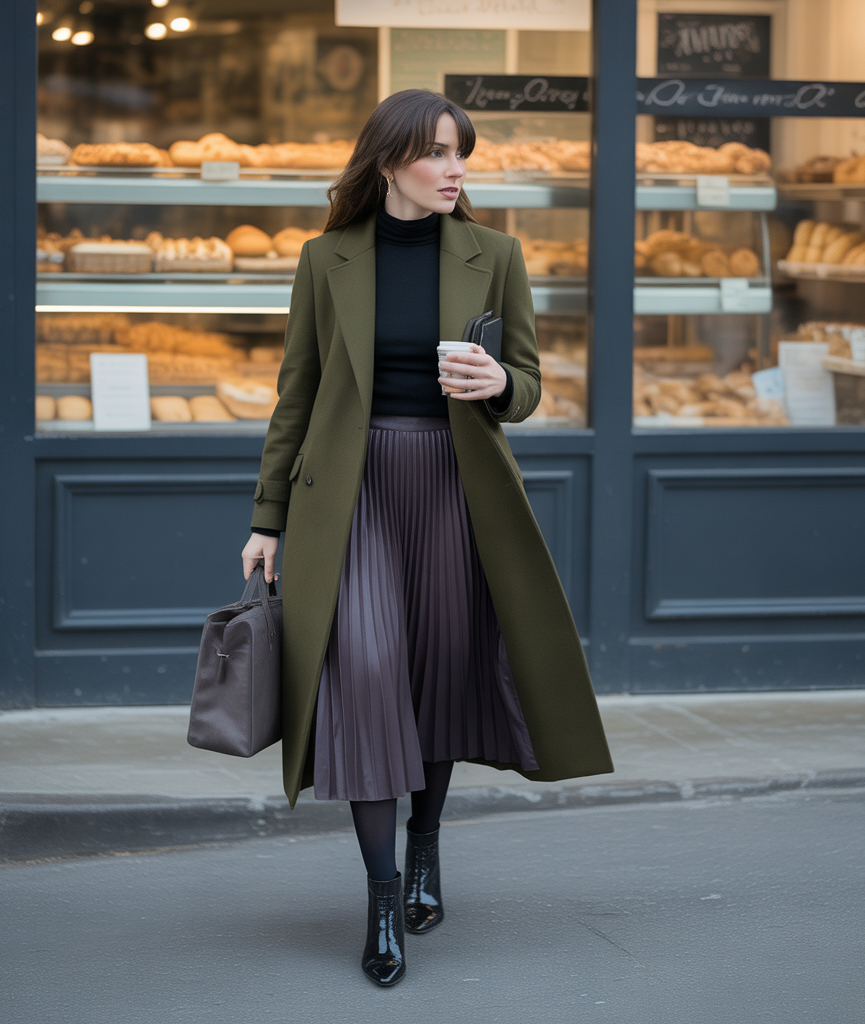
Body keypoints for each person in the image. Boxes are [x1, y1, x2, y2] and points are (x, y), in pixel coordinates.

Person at [241, 89, 613, 987]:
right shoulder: (324, 257)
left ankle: (426, 844)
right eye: (439, 154)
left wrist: (498, 383)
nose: (456, 171)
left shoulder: (497, 254)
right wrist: (266, 517)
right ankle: (379, 900)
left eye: (462, 155)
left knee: (438, 671)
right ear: (387, 161)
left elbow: (530, 385)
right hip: (354, 491)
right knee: (364, 671)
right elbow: (297, 394)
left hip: (456, 487)